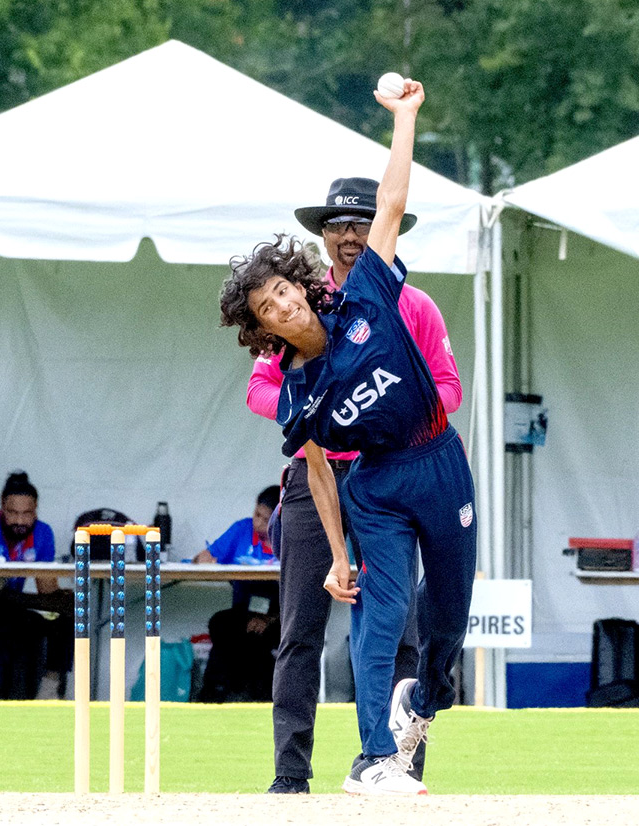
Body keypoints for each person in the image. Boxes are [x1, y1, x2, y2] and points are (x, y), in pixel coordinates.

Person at [220, 79, 476, 795]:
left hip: (431, 458)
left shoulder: (381, 293)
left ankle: (411, 729)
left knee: (439, 629)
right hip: (355, 483)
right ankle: (350, 765)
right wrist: (338, 545)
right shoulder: (296, 383)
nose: (351, 229)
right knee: (345, 617)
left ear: (302, 289)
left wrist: (405, 117)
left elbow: (445, 385)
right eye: (338, 221)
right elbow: (303, 441)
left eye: (285, 294)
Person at [194, 486, 281, 702]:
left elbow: (307, 590)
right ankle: (233, 694)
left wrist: (269, 619)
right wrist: (203, 559)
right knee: (221, 624)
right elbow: (205, 557)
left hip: (282, 615)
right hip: (245, 611)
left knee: (250, 638)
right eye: (256, 514)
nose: (257, 522)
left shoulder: (291, 538)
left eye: (265, 518)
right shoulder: (242, 530)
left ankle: (221, 694)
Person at [0, 471, 74, 699]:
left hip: (15, 604)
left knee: (68, 614)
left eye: (27, 513)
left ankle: (49, 689)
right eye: (13, 513)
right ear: (2, 508)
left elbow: (46, 591)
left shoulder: (42, 532)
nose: (20, 521)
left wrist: (61, 598)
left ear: (36, 510)